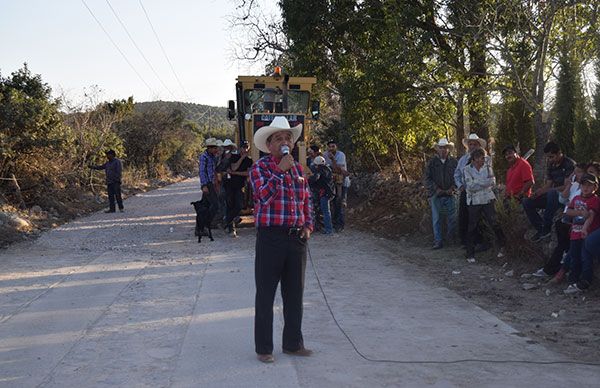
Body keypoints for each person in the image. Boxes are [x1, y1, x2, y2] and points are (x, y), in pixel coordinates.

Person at [249, 116, 314, 363]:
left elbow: (306, 200)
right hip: (271, 238)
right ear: (269, 144)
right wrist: (279, 171)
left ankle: (293, 344)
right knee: (265, 295)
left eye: (288, 137)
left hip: (296, 239)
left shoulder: (298, 169)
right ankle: (264, 348)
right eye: (279, 138)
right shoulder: (260, 169)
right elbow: (263, 197)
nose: (285, 141)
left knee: (295, 294)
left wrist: (308, 226)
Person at [532, 163, 586, 281]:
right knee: (561, 238)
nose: (576, 174)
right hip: (568, 217)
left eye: (579, 172)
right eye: (575, 172)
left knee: (563, 244)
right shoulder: (575, 185)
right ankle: (555, 267)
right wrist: (569, 184)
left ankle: (553, 269)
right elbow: (563, 198)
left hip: (576, 220)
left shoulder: (586, 189)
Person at [522, 141, 575, 242]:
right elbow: (548, 184)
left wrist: (548, 190)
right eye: (548, 157)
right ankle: (540, 228)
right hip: (552, 196)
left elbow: (566, 186)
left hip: (564, 197)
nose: (550, 159)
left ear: (559, 153)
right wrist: (539, 192)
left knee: (551, 193)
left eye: (551, 156)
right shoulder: (551, 164)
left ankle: (547, 227)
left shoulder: (569, 164)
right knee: (527, 202)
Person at [463, 148, 505, 261]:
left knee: (494, 222)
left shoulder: (487, 167)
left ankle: (503, 247)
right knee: (472, 226)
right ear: (474, 159)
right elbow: (470, 186)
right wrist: (483, 183)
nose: (482, 161)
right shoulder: (466, 169)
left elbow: (492, 182)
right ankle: (470, 253)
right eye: (480, 159)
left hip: (487, 199)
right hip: (474, 200)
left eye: (483, 159)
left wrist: (477, 182)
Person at [563, 173, 600, 293]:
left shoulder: (595, 200)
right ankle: (573, 281)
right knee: (574, 257)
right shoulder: (576, 198)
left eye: (590, 185)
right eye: (584, 185)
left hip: (587, 234)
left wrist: (585, 228)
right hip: (575, 233)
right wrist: (579, 213)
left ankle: (585, 281)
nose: (586, 188)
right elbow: (568, 211)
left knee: (585, 258)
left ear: (595, 187)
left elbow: (591, 215)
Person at [425, 138, 458, 249]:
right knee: (436, 219)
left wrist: (453, 187)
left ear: (448, 149)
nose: (443, 150)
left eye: (445, 148)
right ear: (438, 149)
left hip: (450, 193)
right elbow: (427, 178)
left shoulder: (454, 162)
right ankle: (438, 241)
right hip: (436, 194)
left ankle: (450, 240)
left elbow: (458, 177)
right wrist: (435, 188)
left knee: (452, 218)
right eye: (441, 148)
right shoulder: (432, 163)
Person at [454, 133, 486, 246]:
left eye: (474, 144)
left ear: (478, 146)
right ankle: (465, 241)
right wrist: (460, 185)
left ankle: (479, 241)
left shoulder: (484, 159)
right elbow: (457, 174)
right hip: (465, 191)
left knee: (477, 217)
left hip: (478, 192)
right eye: (470, 144)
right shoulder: (463, 160)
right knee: (464, 216)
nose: (472, 146)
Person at [223, 140, 253, 237]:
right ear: (239, 148)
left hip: (240, 186)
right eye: (243, 147)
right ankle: (231, 227)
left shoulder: (249, 160)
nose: (244, 149)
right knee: (230, 204)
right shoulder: (234, 157)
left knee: (239, 205)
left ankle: (226, 221)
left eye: (246, 147)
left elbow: (247, 173)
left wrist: (235, 173)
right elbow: (234, 167)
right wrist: (241, 158)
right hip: (229, 185)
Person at [324, 140, 350, 232]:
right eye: (329, 147)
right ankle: (334, 223)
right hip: (332, 183)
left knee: (340, 203)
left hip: (342, 183)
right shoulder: (325, 155)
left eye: (333, 146)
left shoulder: (341, 155)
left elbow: (339, 169)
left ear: (336, 147)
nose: (331, 148)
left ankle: (340, 224)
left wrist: (333, 160)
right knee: (333, 203)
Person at [308, 155, 336, 234]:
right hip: (330, 192)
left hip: (325, 193)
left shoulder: (320, 170)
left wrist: (307, 179)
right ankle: (327, 228)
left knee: (326, 211)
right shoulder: (328, 169)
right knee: (325, 211)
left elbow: (315, 178)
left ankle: (329, 230)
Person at [199, 138, 220, 219]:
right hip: (208, 184)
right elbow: (202, 171)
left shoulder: (213, 157)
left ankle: (204, 223)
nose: (216, 150)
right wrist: (204, 185)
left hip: (213, 183)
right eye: (214, 148)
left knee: (206, 204)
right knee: (215, 204)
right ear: (209, 148)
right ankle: (208, 220)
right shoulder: (204, 157)